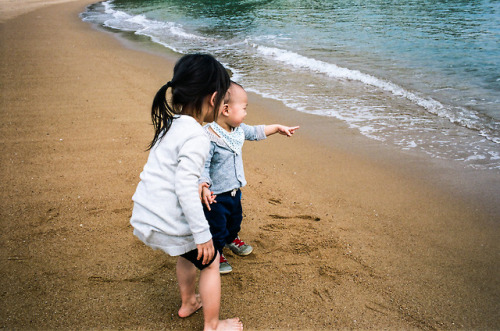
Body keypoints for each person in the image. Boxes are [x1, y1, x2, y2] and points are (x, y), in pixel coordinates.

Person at [130, 54, 243, 331]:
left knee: (187, 254)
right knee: (211, 261)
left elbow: (174, 173)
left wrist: (200, 184)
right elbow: (182, 185)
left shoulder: (171, 125)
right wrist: (203, 235)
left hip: (147, 216)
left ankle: (188, 302)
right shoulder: (198, 136)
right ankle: (213, 325)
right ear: (214, 98)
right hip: (170, 221)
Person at [200, 81, 299, 274]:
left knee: (235, 219)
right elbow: (202, 165)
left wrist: (277, 127)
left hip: (234, 190)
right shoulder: (209, 137)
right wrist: (203, 186)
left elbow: (256, 131)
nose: (246, 113)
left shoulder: (238, 130)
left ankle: (231, 239)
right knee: (216, 226)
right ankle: (216, 253)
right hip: (215, 195)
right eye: (244, 109)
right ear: (226, 110)